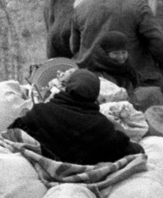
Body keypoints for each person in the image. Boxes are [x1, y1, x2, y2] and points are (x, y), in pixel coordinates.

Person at [9, 69, 143, 165]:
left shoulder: (41, 111)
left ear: (68, 87)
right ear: (95, 94)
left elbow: (14, 132)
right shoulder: (101, 126)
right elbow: (130, 150)